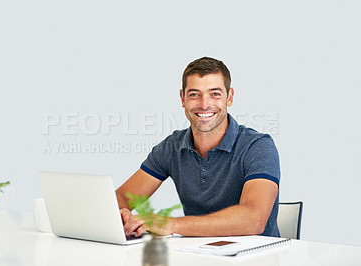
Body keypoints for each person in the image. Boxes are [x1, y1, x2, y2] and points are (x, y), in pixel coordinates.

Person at [116, 56, 280, 237]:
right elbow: (123, 196)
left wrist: (171, 224)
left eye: (215, 94)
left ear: (230, 97)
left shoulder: (257, 147)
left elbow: (253, 220)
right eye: (194, 94)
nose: (204, 104)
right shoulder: (171, 148)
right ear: (182, 98)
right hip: (196, 254)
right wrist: (122, 213)